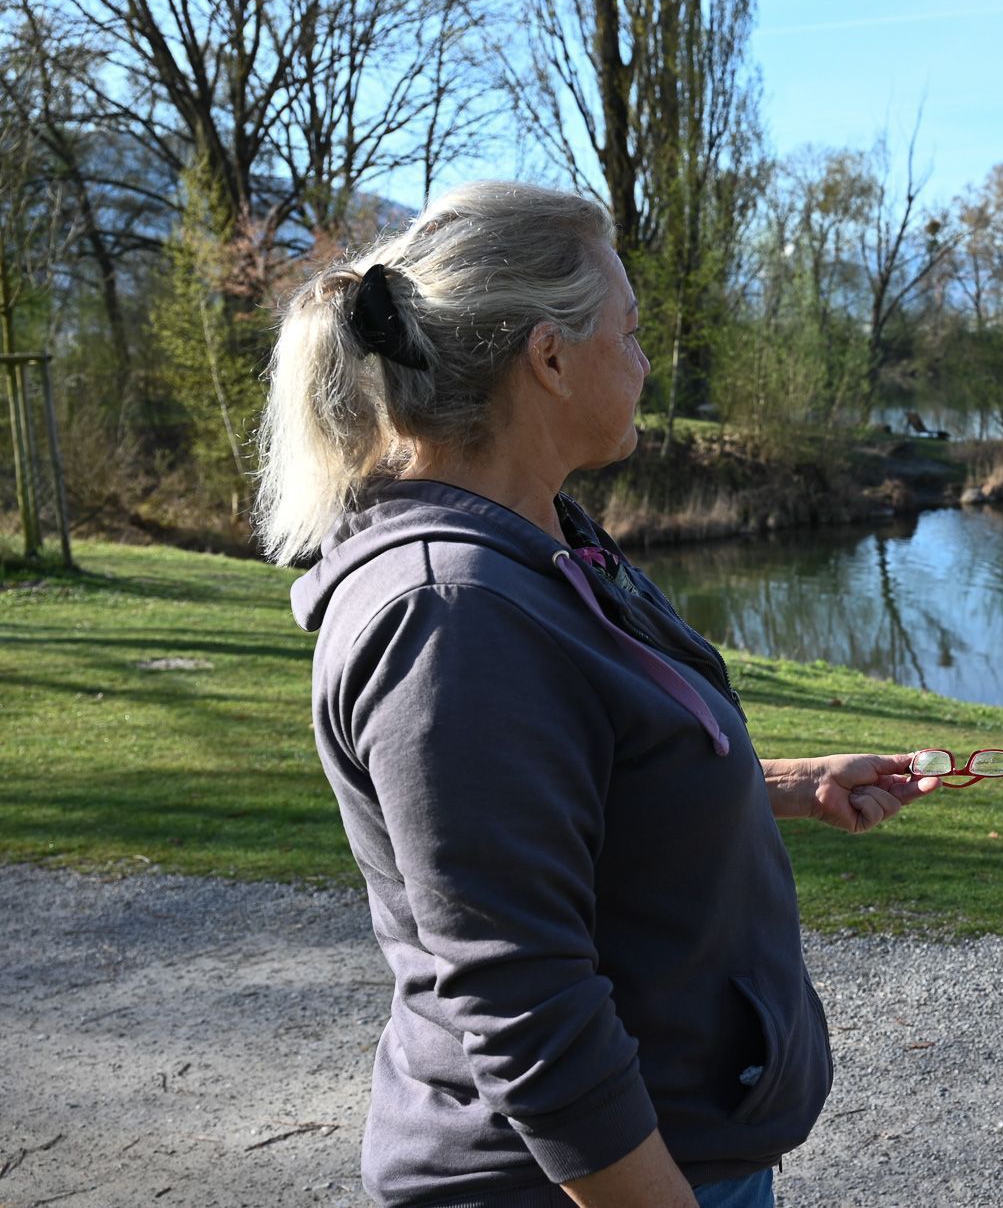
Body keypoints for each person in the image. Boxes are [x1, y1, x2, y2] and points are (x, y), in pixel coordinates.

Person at [258, 181, 937, 1208]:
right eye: (629, 329)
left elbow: (589, 786)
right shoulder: (452, 618)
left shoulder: (540, 547)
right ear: (550, 356)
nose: (646, 358)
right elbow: (527, 1002)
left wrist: (785, 784)